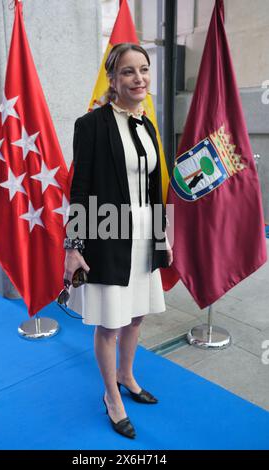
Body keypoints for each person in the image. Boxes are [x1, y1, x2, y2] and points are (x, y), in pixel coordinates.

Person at [63, 43, 173, 439]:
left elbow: (152, 188)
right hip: (108, 234)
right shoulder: (90, 125)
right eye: (128, 71)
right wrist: (73, 247)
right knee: (110, 323)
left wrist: (161, 234)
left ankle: (127, 374)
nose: (138, 78)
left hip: (145, 233)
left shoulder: (148, 125)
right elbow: (80, 188)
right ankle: (111, 396)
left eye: (143, 70)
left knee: (137, 313)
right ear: (112, 79)